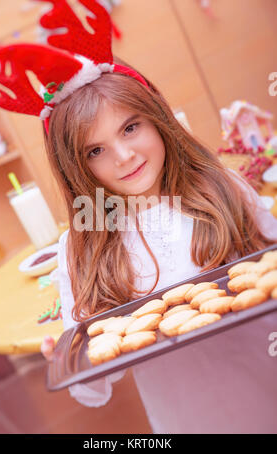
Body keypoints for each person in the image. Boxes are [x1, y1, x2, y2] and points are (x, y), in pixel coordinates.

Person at [41, 57, 277, 434]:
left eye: (130, 128)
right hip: (187, 421)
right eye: (95, 150)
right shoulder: (81, 247)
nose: (124, 156)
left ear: (157, 119)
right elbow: (94, 387)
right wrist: (66, 360)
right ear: (76, 167)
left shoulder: (222, 187)